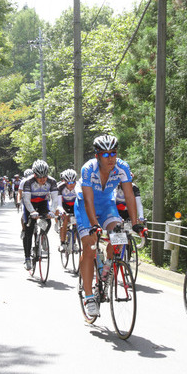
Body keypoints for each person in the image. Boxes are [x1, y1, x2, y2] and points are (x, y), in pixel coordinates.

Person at [76, 135, 147, 317]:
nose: (110, 158)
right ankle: (89, 296)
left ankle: (108, 266)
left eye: (113, 153)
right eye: (105, 154)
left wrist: (136, 224)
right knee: (90, 246)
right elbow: (89, 200)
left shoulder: (122, 167)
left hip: (107, 205)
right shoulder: (88, 169)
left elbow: (129, 196)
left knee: (120, 235)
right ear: (97, 156)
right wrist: (94, 225)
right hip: (86, 206)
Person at [21, 160, 58, 270]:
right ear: (34, 175)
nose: (42, 180)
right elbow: (26, 201)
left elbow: (55, 199)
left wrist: (52, 211)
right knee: (28, 230)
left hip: (42, 203)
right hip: (30, 204)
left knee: (48, 221)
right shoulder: (28, 182)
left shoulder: (52, 181)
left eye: (45, 177)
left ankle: (42, 238)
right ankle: (27, 258)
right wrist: (32, 212)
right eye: (39, 177)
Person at [56, 169, 78, 252]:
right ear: (65, 182)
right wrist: (62, 211)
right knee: (65, 220)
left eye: (73, 182)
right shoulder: (60, 187)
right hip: (64, 205)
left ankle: (74, 242)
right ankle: (62, 243)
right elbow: (59, 204)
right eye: (69, 183)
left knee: (77, 222)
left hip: (74, 205)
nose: (71, 185)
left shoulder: (79, 186)